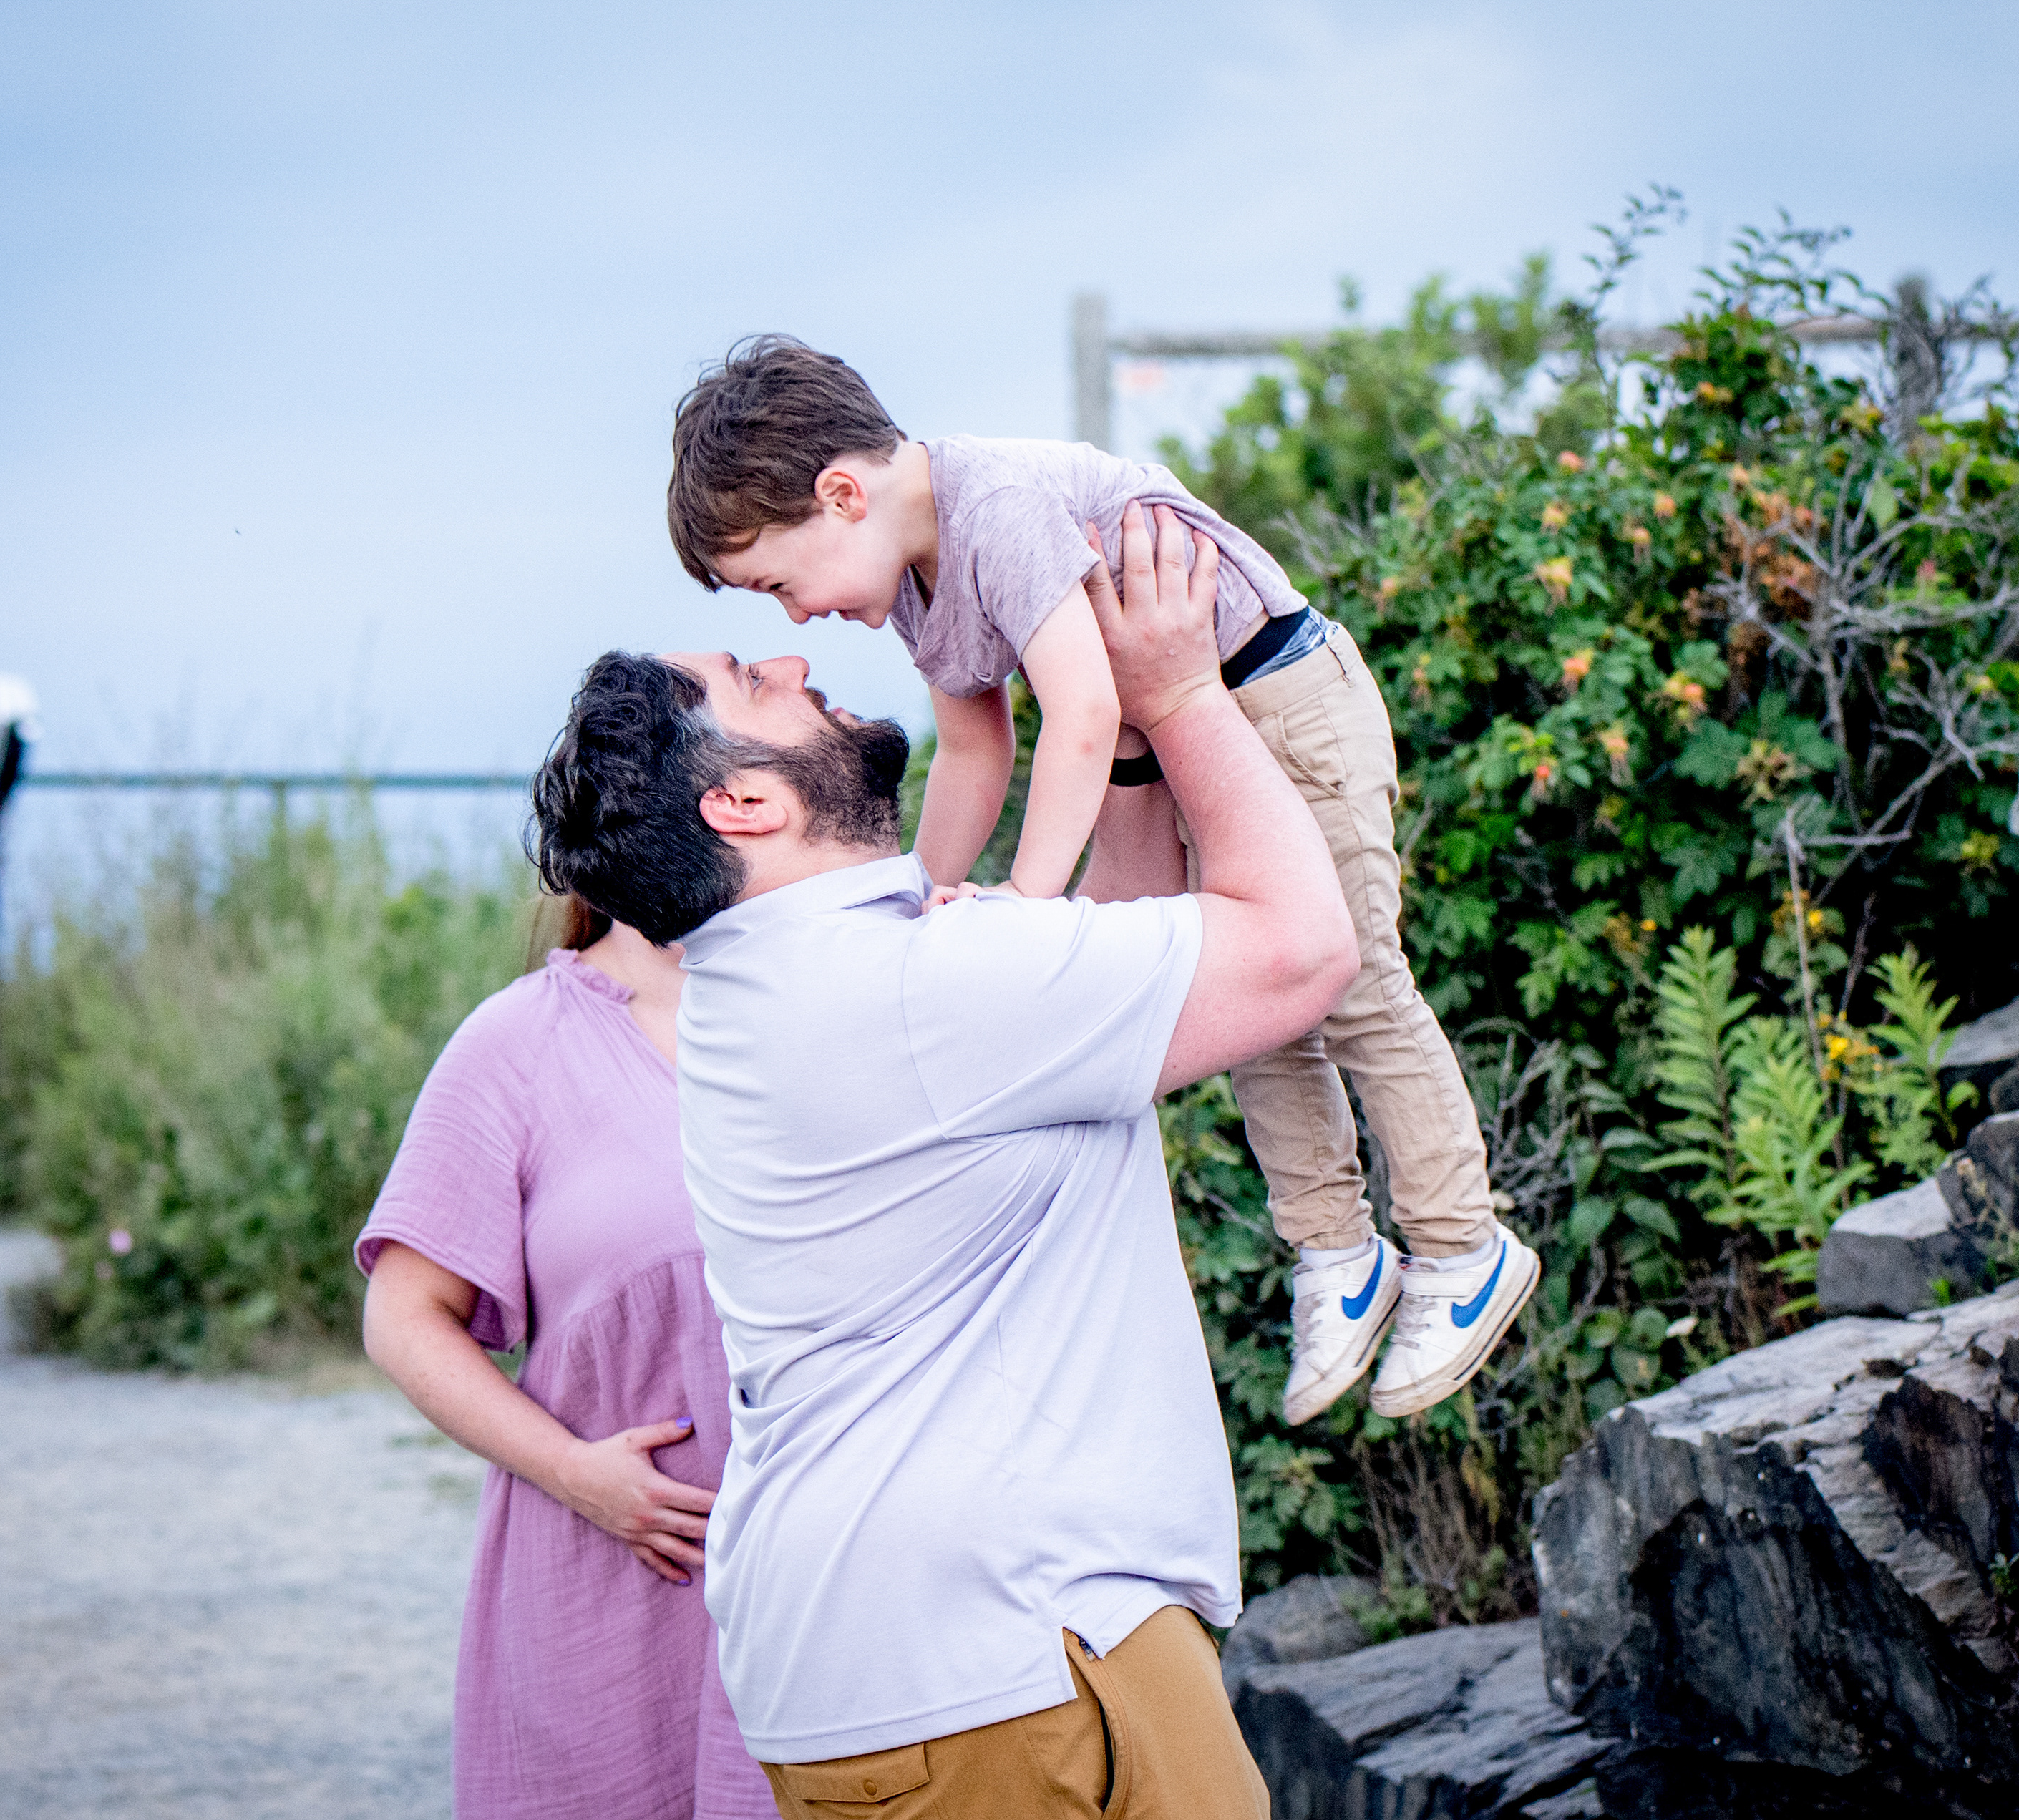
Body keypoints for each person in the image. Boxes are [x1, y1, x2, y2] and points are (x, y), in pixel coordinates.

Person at [530, 507, 1352, 1818]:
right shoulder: (912, 991)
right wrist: (1184, 693)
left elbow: (1110, 974)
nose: (794, 660)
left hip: (893, 1661)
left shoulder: (781, 987)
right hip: (1014, 1654)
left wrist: (1124, 748)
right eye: (750, 681)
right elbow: (1303, 951)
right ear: (744, 803)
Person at [664, 336, 1537, 1428]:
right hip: (1191, 734)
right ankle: (1336, 1250)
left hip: (1282, 698)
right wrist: (915, 903)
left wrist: (1028, 908)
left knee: (1355, 983)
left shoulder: (995, 508)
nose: (795, 619)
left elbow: (1082, 713)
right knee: (1262, 1012)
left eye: (781, 585)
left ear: (842, 496)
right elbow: (975, 751)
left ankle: (1463, 1248)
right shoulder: (915, 580)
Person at [354, 897, 772, 1820]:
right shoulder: (520, 1041)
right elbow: (406, 1316)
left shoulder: (833, 1004)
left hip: (818, 1597)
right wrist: (577, 1473)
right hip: (614, 1579)